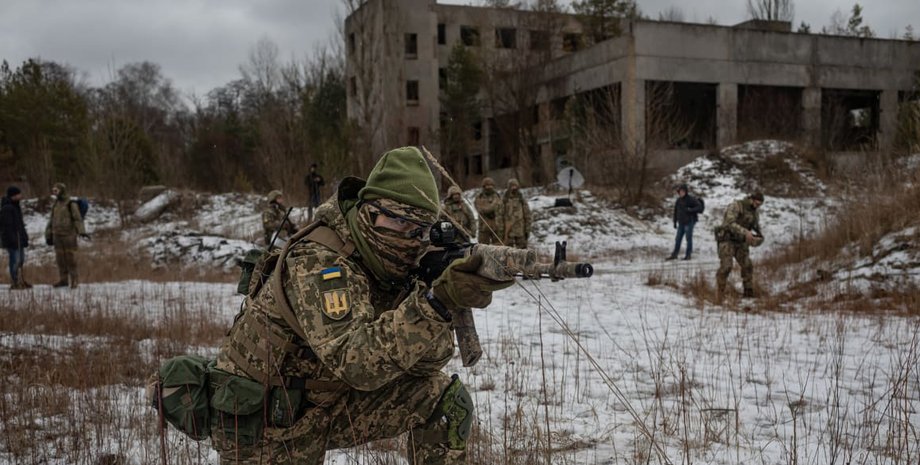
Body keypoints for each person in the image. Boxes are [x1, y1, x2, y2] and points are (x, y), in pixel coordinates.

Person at [211, 146, 512, 464]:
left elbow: (426, 364)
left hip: (321, 403)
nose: (410, 238)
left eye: (420, 230)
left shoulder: (393, 261)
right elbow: (356, 365)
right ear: (370, 211)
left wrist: (435, 295)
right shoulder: (321, 261)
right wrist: (435, 304)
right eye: (400, 223)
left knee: (441, 399)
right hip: (263, 422)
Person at [715, 192, 765, 298]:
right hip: (727, 240)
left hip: (741, 242)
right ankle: (720, 293)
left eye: (759, 205)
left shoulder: (754, 213)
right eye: (756, 203)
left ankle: (748, 292)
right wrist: (745, 232)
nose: (757, 206)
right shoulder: (737, 206)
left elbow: (755, 227)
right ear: (751, 199)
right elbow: (729, 223)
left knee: (747, 265)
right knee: (726, 267)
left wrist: (758, 238)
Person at [44, 183, 86, 289]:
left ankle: (74, 280)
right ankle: (63, 280)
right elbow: (51, 220)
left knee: (70, 259)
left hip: (69, 236)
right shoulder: (56, 204)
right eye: (53, 190)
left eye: (56, 190)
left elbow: (77, 218)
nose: (55, 193)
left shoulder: (71, 204)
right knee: (60, 259)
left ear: (62, 190)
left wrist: (81, 231)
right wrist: (48, 234)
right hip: (57, 236)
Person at [1, 186, 30, 289]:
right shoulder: (7, 208)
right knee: (15, 261)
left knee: (21, 260)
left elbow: (20, 225)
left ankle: (21, 280)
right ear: (13, 195)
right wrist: (13, 239)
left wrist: (24, 238)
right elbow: (7, 226)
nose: (20, 196)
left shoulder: (16, 207)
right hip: (12, 240)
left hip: (19, 238)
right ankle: (15, 282)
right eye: (18, 194)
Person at [667, 184, 703, 261]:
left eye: (682, 191)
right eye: (680, 191)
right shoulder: (678, 201)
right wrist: (674, 221)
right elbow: (675, 211)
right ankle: (674, 254)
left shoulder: (691, 199)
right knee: (678, 239)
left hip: (689, 221)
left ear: (685, 192)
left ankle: (688, 255)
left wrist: (690, 210)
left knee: (688, 238)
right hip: (681, 222)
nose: (681, 193)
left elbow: (699, 207)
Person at [502, 178, 532, 249]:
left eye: (515, 186)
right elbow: (500, 215)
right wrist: (501, 230)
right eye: (512, 186)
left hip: (520, 230)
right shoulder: (505, 199)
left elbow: (527, 215)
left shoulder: (521, 199)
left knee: (522, 252)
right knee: (508, 252)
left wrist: (527, 229)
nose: (514, 188)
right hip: (508, 231)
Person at [473, 177, 503, 245]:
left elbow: (500, 208)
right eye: (487, 185)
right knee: (483, 246)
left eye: (491, 185)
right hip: (484, 227)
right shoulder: (479, 197)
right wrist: (490, 208)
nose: (489, 187)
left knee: (498, 246)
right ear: (484, 186)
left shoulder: (497, 196)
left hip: (496, 226)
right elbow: (479, 208)